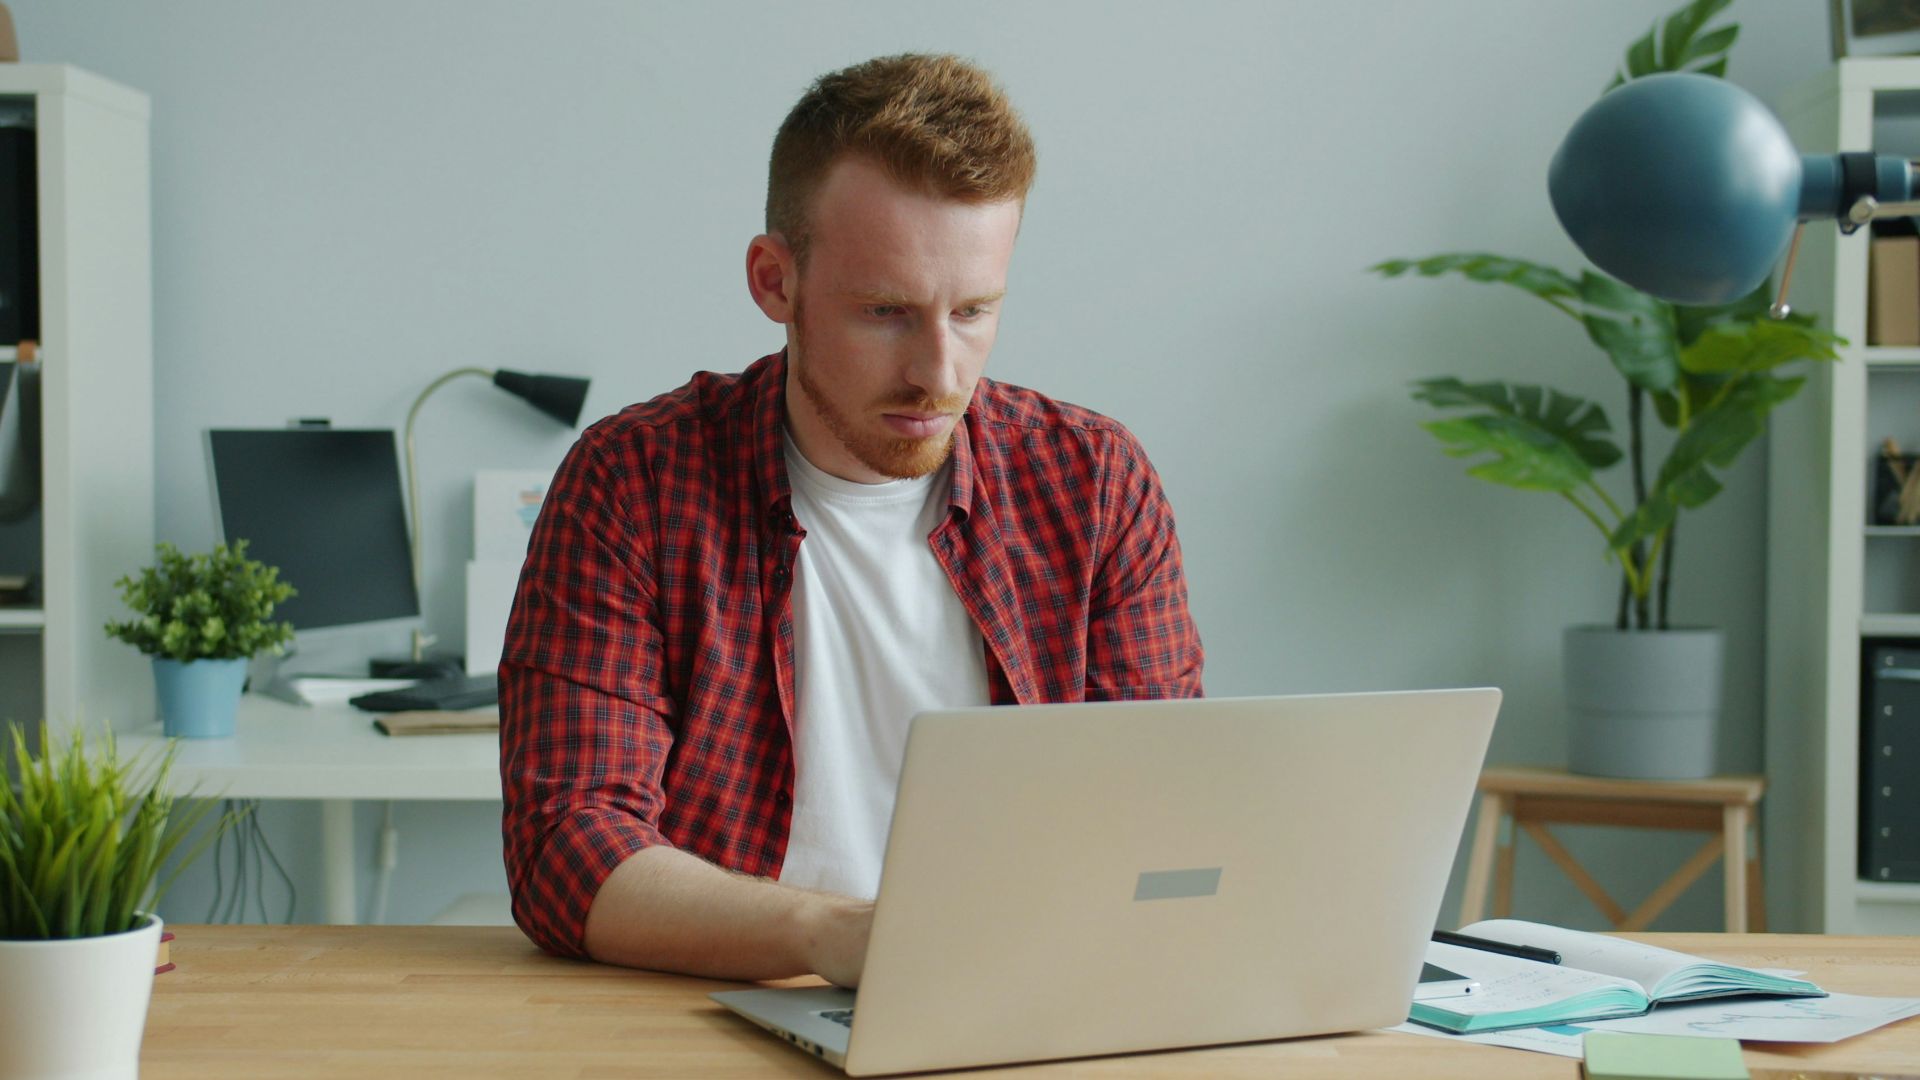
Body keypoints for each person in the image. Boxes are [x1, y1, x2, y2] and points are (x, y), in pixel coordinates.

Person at [499, 53, 1203, 987]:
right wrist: (835, 937)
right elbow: (567, 849)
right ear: (773, 282)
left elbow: (1159, 809)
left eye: (975, 310)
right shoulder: (633, 485)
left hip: (1024, 1000)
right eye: (887, 313)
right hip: (717, 1011)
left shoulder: (1095, 484)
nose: (940, 373)